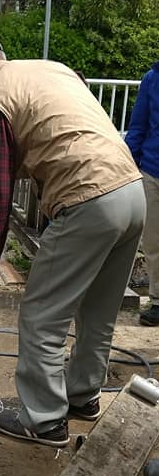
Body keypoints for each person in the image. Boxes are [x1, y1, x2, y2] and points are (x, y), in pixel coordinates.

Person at [0, 30, 146, 447]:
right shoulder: (51, 69)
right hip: (131, 190)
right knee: (98, 313)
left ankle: (45, 420)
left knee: (42, 316)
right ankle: (83, 396)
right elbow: (63, 127)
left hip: (87, 200)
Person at [125, 63, 159, 326]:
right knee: (153, 242)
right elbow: (138, 126)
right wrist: (125, 162)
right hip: (152, 170)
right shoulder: (152, 78)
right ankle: (157, 301)